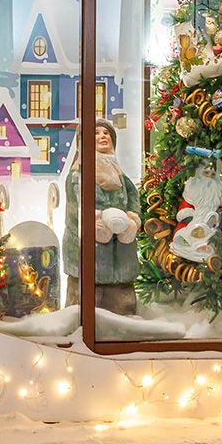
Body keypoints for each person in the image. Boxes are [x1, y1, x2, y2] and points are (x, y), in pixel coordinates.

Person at [63, 119, 141, 314]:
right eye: (96, 133)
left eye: (106, 133)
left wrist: (132, 219)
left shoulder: (120, 174)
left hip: (120, 254)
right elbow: (76, 206)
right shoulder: (78, 174)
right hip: (93, 253)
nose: (103, 136)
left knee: (123, 305)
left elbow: (133, 197)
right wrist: (97, 219)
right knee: (86, 306)